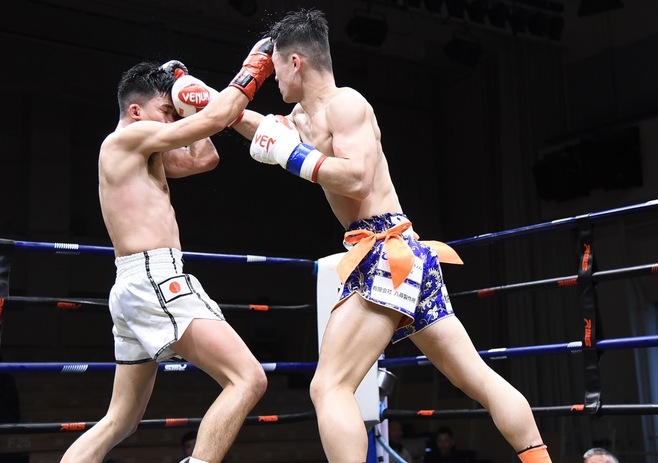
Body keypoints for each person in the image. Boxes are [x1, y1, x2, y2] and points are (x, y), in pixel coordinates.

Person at [244, 8, 554, 463]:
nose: (272, 78)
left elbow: (356, 180)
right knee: (477, 378)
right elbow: (259, 128)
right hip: (403, 254)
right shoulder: (301, 120)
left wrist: (294, 157)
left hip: (385, 251)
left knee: (330, 386)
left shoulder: (346, 104)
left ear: (296, 62)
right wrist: (215, 94)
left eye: (274, 69)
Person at [60, 37, 275, 463]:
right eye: (165, 111)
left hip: (136, 285)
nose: (170, 120)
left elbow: (204, 157)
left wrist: (184, 102)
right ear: (135, 111)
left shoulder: (146, 153)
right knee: (248, 378)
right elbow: (215, 120)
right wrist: (253, 69)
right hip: (155, 279)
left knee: (121, 420)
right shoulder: (126, 139)